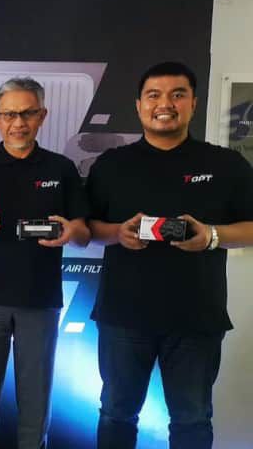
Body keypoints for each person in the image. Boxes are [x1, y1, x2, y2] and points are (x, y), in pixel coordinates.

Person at [86, 62, 253, 449]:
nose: (165, 104)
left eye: (178, 94)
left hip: (196, 319)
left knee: (192, 419)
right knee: (115, 414)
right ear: (139, 105)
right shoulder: (111, 164)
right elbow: (87, 229)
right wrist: (118, 233)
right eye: (154, 95)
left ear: (193, 103)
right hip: (123, 317)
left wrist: (211, 236)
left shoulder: (226, 164)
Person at [0, 77, 90, 449]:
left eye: (28, 113)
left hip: (40, 300)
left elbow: (83, 232)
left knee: (35, 410)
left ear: (42, 116)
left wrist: (70, 231)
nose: (19, 122)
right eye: (10, 114)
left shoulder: (61, 168)